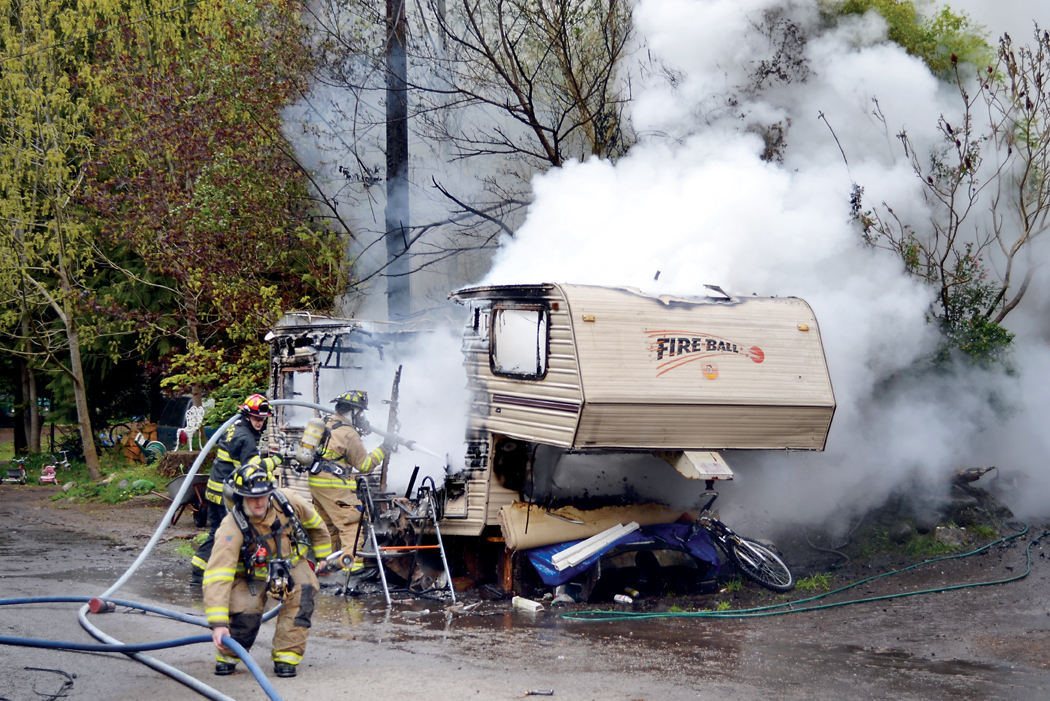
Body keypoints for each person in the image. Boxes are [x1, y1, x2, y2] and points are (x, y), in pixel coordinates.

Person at [203, 462, 332, 678]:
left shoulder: (288, 502)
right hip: (251, 576)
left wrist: (323, 558)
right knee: (247, 611)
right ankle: (229, 655)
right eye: (252, 497)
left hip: (290, 564)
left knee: (304, 591)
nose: (259, 502)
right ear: (240, 497)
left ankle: (286, 657)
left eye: (263, 495)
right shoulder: (231, 527)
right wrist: (218, 624)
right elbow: (218, 576)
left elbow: (316, 526)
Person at [191, 394, 281, 584]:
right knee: (232, 534)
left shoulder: (235, 426)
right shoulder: (245, 438)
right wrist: (276, 460)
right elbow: (254, 468)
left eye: (262, 419)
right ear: (247, 415)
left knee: (217, 531)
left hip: (214, 489)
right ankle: (231, 572)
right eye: (256, 418)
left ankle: (199, 567)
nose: (259, 423)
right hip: (226, 495)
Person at [307, 390, 391, 577]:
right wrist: (384, 449)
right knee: (351, 522)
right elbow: (364, 465)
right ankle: (353, 568)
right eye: (359, 412)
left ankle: (328, 567)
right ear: (352, 411)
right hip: (333, 485)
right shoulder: (348, 433)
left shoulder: (327, 423)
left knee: (328, 525)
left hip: (316, 482)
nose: (361, 416)